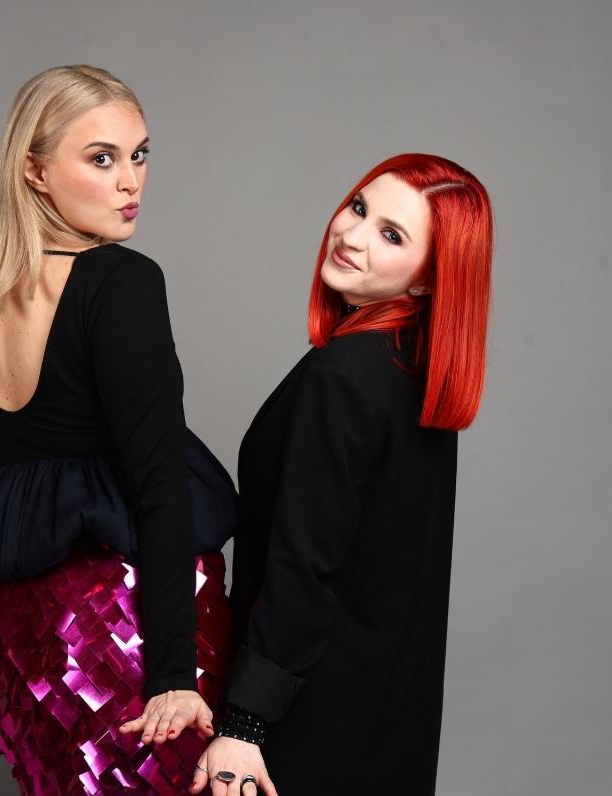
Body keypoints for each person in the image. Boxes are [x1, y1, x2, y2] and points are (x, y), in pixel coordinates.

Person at [0, 64, 236, 795]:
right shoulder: (122, 280)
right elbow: (158, 485)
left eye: (138, 155)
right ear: (35, 171)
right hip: (129, 628)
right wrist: (173, 678)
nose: (130, 182)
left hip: (24, 629)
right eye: (101, 158)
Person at [191, 153, 493, 796]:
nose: (352, 235)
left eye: (392, 235)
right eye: (359, 207)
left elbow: (305, 565)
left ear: (429, 280)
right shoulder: (413, 368)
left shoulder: (347, 374)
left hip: (308, 720)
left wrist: (245, 724)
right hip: (387, 717)